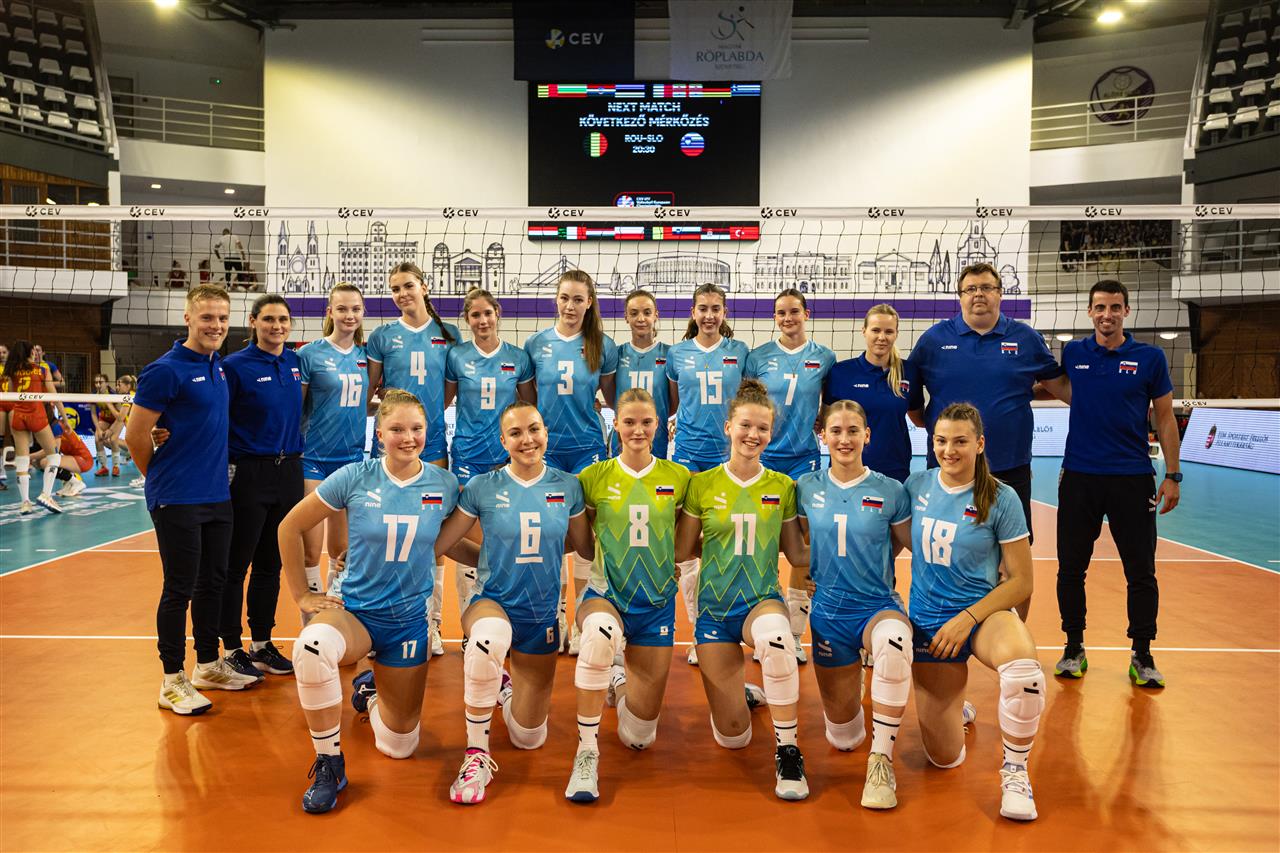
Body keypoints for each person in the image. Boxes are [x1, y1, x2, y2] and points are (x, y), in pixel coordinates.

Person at [277, 389, 479, 814]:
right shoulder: (354, 477)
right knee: (310, 648)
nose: (408, 437)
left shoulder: (443, 484)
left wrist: (496, 561)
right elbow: (289, 527)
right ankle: (329, 762)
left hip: (408, 621)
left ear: (428, 431)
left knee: (400, 745)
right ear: (380, 433)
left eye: (416, 428)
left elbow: (446, 544)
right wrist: (302, 594)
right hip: (355, 612)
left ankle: (369, 693)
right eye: (397, 429)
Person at [431, 400, 592, 805]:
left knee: (528, 737)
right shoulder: (483, 487)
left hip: (541, 614)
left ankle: (503, 691)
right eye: (516, 433)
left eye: (534, 429)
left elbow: (585, 546)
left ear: (546, 433)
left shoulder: (568, 486)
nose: (527, 439)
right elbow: (442, 543)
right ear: (503, 441)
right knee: (488, 638)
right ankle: (475, 754)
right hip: (493, 601)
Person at [901, 402, 1045, 822]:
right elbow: (885, 543)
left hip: (981, 616)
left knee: (1024, 673)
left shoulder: (1001, 497)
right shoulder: (916, 486)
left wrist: (968, 618)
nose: (949, 450)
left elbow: (1021, 582)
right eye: (941, 441)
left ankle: (1015, 772)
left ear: (979, 444)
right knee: (945, 759)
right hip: (929, 623)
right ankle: (956, 705)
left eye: (960, 441)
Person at [674, 379, 810, 801]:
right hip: (715, 611)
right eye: (746, 426)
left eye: (762, 428)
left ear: (771, 433)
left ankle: (788, 750)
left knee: (777, 639)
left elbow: (796, 553)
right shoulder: (702, 485)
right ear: (729, 427)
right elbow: (683, 549)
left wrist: (852, 556)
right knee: (733, 737)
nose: (753, 435)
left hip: (760, 601)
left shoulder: (782, 486)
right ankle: (743, 693)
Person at [909, 262, 1070, 617]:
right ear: (960, 296)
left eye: (986, 287)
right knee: (948, 549)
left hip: (1010, 467)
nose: (978, 294)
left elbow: (1060, 387)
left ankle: (1014, 631)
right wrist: (946, 438)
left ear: (1000, 293)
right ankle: (946, 620)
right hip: (948, 472)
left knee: (1014, 561)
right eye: (971, 289)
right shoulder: (933, 341)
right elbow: (913, 406)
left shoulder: (1025, 338)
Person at [127, 285, 259, 715]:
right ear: (188, 319)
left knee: (213, 582)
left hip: (217, 494)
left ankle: (207, 665)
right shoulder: (165, 371)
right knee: (179, 588)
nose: (216, 326)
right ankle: (171, 680)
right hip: (177, 497)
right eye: (207, 317)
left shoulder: (217, 366)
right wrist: (159, 476)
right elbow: (134, 434)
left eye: (222, 318)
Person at [565, 388, 691, 802]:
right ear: (615, 424)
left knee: (639, 738)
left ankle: (618, 680)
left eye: (647, 422)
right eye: (630, 422)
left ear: (659, 425)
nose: (638, 430)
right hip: (606, 594)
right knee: (599, 634)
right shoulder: (593, 478)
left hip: (655, 604)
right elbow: (583, 545)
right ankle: (586, 752)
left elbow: (685, 539)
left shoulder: (678, 478)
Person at [1055, 280, 1181, 688]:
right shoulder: (1074, 353)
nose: (1106, 314)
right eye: (1099, 307)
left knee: (1141, 571)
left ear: (1126, 311)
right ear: (1089, 312)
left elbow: (1165, 417)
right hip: (1080, 477)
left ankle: (1142, 654)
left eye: (1114, 307)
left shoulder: (1150, 358)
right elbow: (1055, 387)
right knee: (1071, 569)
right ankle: (1073, 647)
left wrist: (1173, 475)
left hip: (1132, 477)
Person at [795, 400, 914, 809]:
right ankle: (858, 692)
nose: (844, 439)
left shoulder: (891, 490)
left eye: (852, 431)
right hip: (829, 612)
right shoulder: (806, 487)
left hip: (877, 603)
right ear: (823, 436)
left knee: (895, 642)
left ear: (867, 435)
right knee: (843, 739)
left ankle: (881, 761)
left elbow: (909, 543)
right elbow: (799, 544)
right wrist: (811, 573)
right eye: (836, 431)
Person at [367, 261, 460, 654]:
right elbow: (368, 391)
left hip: (432, 444)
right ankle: (382, 620)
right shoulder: (382, 336)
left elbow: (450, 393)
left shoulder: (448, 334)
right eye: (395, 289)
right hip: (392, 447)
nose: (402, 294)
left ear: (424, 287)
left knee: (431, 534)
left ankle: (431, 623)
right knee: (386, 531)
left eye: (407, 285)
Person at [523, 270, 617, 654]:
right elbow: (528, 402)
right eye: (565, 298)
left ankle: (581, 619)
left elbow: (612, 398)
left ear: (589, 302)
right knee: (551, 532)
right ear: (556, 299)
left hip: (587, 448)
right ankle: (556, 613)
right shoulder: (536, 344)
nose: (570, 306)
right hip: (546, 449)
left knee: (583, 534)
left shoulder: (602, 346)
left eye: (578, 299)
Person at [744, 288, 836, 664]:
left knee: (804, 542)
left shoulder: (824, 357)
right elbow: (747, 405)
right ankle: (766, 624)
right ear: (774, 317)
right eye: (781, 312)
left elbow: (829, 403)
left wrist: (823, 421)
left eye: (794, 311)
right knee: (761, 540)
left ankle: (795, 633)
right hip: (765, 459)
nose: (788, 318)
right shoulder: (758, 357)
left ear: (806, 314)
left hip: (804, 460)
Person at [218, 295, 305, 680]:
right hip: (249, 472)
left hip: (289, 472)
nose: (277, 326)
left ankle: (261, 644)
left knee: (271, 563)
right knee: (235, 565)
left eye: (283, 319)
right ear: (253, 322)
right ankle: (231, 647)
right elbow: (215, 415)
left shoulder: (295, 362)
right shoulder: (234, 366)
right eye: (268, 319)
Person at [665, 283, 749, 665]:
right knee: (686, 550)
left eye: (716, 308)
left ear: (724, 312)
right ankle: (700, 631)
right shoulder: (677, 354)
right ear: (693, 312)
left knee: (722, 543)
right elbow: (673, 403)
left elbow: (749, 399)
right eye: (703, 308)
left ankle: (722, 625)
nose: (710, 315)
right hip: (687, 457)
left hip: (726, 458)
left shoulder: (739, 352)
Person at [444, 288, 535, 633]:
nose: (482, 321)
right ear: (467, 319)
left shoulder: (518, 357)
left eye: (487, 313)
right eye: (475, 315)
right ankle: (472, 625)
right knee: (473, 542)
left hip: (505, 459)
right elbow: (442, 402)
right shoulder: (457, 356)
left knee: (507, 538)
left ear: (498, 313)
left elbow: (528, 407)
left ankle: (505, 616)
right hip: (468, 456)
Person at [297, 283, 369, 612]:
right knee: (311, 551)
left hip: (350, 460)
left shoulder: (367, 356)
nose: (349, 315)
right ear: (330, 312)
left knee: (341, 551)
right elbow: (296, 408)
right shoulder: (309, 354)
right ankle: (311, 623)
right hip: (313, 458)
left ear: (362, 312)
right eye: (342, 309)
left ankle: (335, 614)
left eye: (355, 309)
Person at [823, 304, 924, 484]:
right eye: (875, 330)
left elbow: (918, 418)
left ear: (896, 334)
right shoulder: (840, 373)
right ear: (864, 331)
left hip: (894, 470)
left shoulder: (909, 372)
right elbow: (826, 420)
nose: (882, 337)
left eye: (889, 331)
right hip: (846, 469)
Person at [3, 341, 67, 514]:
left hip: (18, 416)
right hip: (36, 415)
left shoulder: (12, 371)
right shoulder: (42, 370)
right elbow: (54, 396)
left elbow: (11, 394)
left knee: (22, 460)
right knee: (54, 456)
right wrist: (65, 418)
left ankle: (25, 503)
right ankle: (46, 495)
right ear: (31, 352)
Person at [610, 290, 672, 460]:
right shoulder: (616, 354)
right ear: (626, 317)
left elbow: (672, 401)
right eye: (634, 313)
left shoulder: (670, 354)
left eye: (647, 312)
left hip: (656, 437)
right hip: (623, 438)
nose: (641, 318)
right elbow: (612, 398)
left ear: (656, 315)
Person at [30, 412, 93, 498]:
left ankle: (76, 483)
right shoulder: (50, 425)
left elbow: (52, 451)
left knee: (45, 462)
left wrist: (27, 457)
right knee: (36, 462)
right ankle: (69, 482)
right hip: (74, 458)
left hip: (84, 460)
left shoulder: (56, 427)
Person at [91, 373, 124, 477]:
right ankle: (104, 467)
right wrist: (98, 429)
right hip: (105, 419)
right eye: (96, 382)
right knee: (97, 438)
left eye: (100, 382)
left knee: (113, 439)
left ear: (106, 383)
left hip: (117, 420)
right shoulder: (93, 395)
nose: (98, 385)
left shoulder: (113, 395)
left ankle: (116, 466)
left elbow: (120, 416)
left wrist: (111, 430)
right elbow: (93, 414)